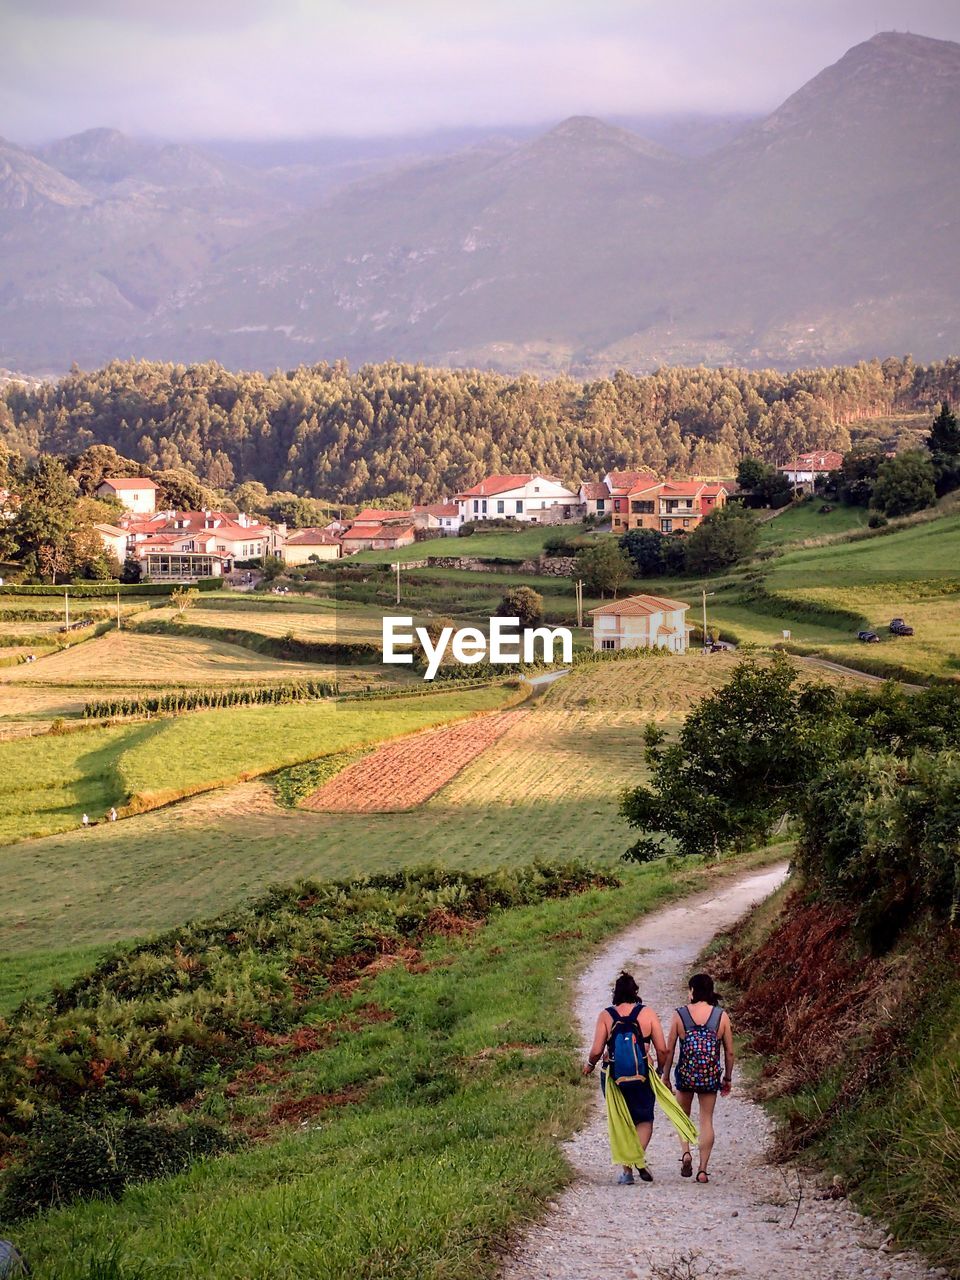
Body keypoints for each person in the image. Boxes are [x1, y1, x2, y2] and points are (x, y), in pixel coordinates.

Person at [583, 971, 667, 1185]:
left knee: (622, 1119)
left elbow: (595, 1050)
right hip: (643, 1075)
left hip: (614, 1076)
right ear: (635, 992)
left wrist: (590, 1065)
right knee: (644, 1119)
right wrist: (659, 1071)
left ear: (615, 993)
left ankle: (628, 1172)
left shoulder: (606, 1015)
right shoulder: (647, 1014)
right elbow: (662, 1049)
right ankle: (637, 1158)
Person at [660, 972, 734, 1184]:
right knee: (706, 1120)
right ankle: (702, 1169)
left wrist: (665, 1077)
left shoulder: (680, 1015)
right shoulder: (721, 1016)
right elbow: (729, 1052)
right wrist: (727, 1078)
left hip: (685, 1074)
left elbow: (670, 1049)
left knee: (682, 1115)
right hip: (709, 1077)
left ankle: (686, 1153)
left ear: (692, 991)